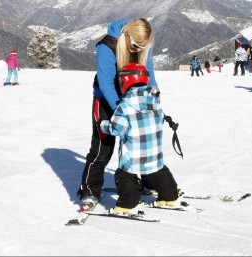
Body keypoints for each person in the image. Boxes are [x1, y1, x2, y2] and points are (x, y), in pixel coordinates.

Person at [77, 18, 158, 207]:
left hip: (134, 98)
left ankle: (145, 181)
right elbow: (106, 83)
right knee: (102, 147)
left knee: (140, 142)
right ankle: (89, 189)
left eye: (143, 47)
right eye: (136, 46)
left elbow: (149, 71)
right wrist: (121, 110)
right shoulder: (107, 46)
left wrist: (152, 96)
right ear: (126, 37)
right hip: (106, 100)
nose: (139, 50)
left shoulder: (142, 42)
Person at [99, 63, 180, 214]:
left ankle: (127, 205)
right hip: (154, 152)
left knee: (125, 175)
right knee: (158, 171)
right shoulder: (155, 102)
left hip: (133, 155)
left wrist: (103, 125)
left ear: (125, 82)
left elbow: (117, 129)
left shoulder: (124, 107)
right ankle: (169, 196)